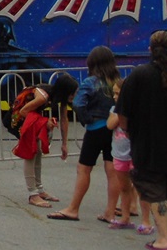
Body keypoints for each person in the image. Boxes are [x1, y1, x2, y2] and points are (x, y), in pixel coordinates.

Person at [117, 29, 167, 250]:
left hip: (148, 144)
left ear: (150, 50)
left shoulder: (138, 76)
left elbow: (123, 115)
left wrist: (131, 132)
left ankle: (162, 238)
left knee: (154, 189)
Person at [48, 46, 121, 222]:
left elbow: (78, 104)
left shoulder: (90, 82)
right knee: (112, 171)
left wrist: (87, 119)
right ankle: (110, 212)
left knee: (84, 169)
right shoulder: (117, 81)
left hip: (95, 129)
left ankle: (73, 209)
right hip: (113, 129)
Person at [13, 72, 78, 208]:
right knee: (31, 152)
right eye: (72, 93)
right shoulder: (43, 97)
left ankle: (39, 189)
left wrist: (64, 144)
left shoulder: (60, 98)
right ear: (65, 91)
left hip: (31, 118)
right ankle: (33, 194)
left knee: (37, 151)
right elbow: (23, 111)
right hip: (18, 118)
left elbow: (64, 120)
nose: (74, 95)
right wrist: (44, 121)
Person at [107, 79, 154, 234]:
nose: (115, 96)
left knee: (140, 187)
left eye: (118, 94)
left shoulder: (139, 109)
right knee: (124, 187)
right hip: (119, 154)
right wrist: (121, 109)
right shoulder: (114, 109)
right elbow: (110, 124)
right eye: (114, 93)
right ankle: (125, 218)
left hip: (136, 153)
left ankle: (146, 221)